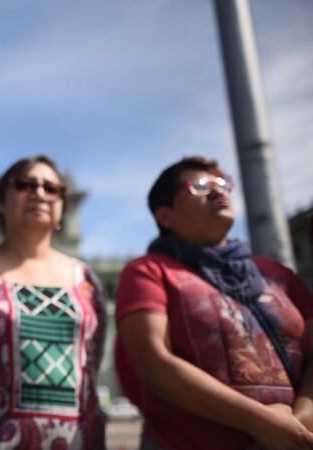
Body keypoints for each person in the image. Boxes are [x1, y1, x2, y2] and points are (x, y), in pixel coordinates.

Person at [115, 156, 313, 450]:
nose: (218, 191)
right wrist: (261, 421)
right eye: (199, 186)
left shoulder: (279, 275)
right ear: (165, 216)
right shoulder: (150, 272)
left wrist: (301, 422)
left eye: (223, 184)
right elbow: (153, 362)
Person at [0, 155, 107, 450]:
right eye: (26, 185)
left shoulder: (86, 279)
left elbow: (95, 356)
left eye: (51, 188)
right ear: (1, 204)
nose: (39, 193)